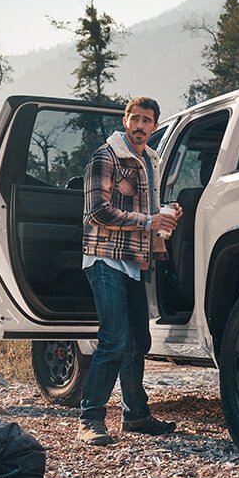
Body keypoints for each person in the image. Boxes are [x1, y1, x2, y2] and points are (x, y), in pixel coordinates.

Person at [77, 95, 182, 445]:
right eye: (134, 119)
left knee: (140, 341)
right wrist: (150, 220)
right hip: (105, 257)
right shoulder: (105, 157)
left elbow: (145, 210)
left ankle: (136, 415)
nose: (140, 126)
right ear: (125, 121)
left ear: (154, 126)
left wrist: (164, 213)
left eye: (147, 121)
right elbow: (97, 212)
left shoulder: (149, 160)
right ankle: (89, 420)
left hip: (134, 261)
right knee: (115, 340)